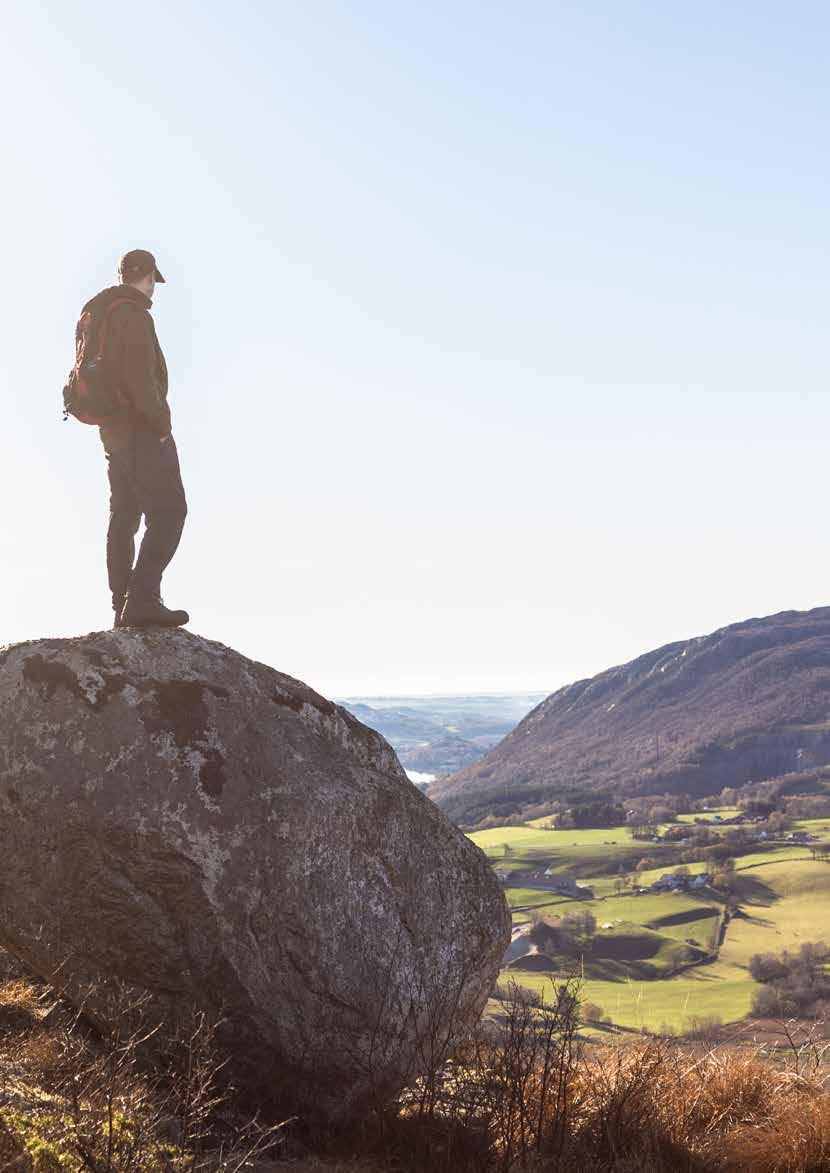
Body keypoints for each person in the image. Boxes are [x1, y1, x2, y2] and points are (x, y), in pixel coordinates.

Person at [83, 250, 189, 628]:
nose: (153, 290)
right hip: (141, 428)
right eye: (151, 281)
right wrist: (162, 427)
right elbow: (142, 381)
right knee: (171, 512)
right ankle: (142, 599)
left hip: (111, 432)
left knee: (124, 515)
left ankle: (121, 605)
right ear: (144, 276)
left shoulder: (98, 311)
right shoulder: (133, 316)